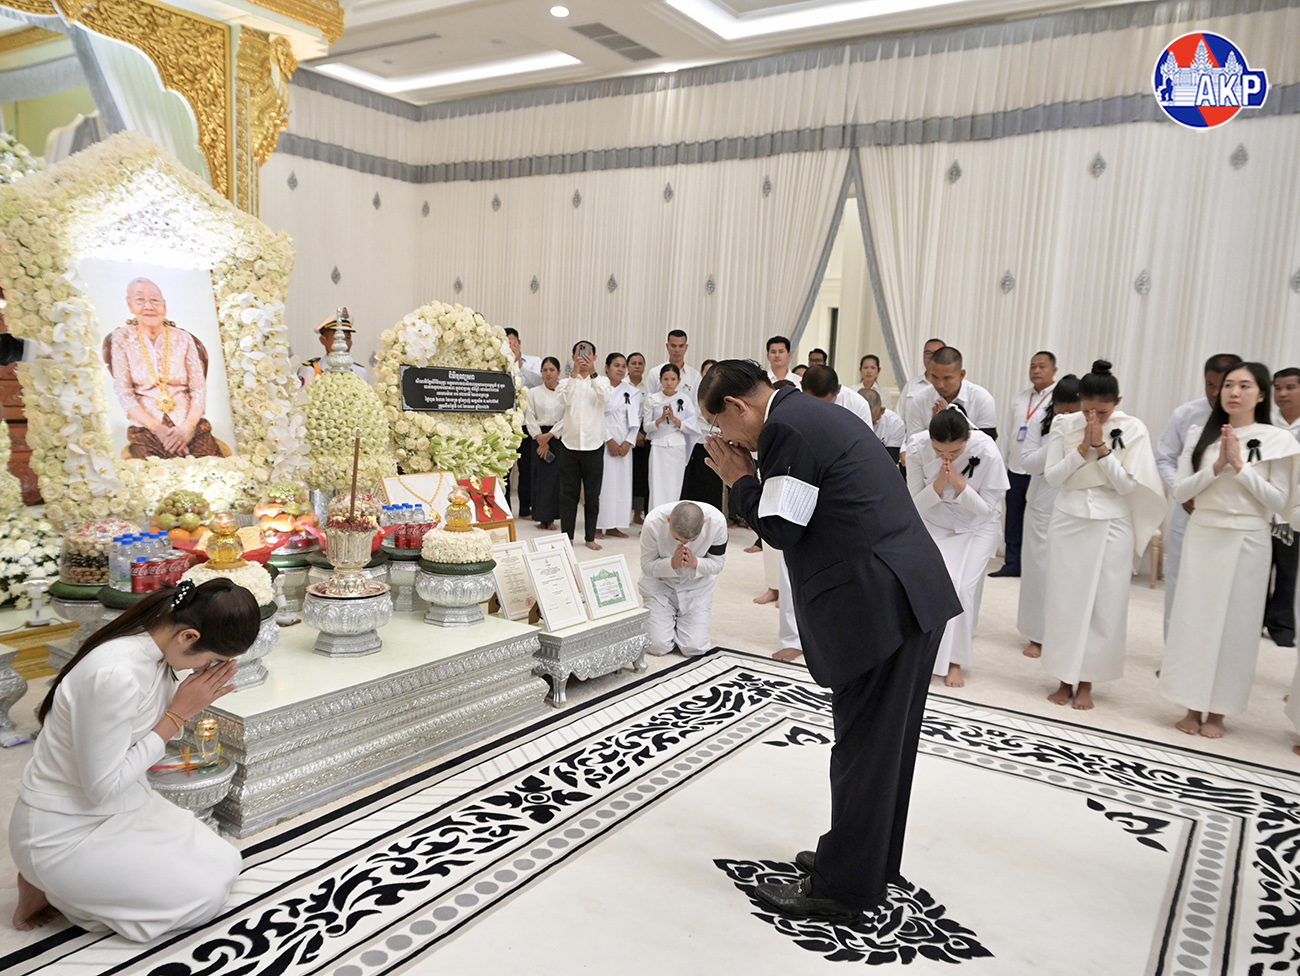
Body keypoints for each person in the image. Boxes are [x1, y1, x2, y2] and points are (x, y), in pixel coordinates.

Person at [700, 360, 961, 921]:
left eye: (720, 424)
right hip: (908, 592)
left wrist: (739, 479)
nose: (723, 437)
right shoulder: (812, 413)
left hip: (880, 604)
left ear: (739, 406)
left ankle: (842, 890)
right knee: (885, 747)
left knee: (863, 750)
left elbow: (781, 526)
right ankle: (867, 863)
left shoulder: (785, 429)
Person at [9, 579, 257, 941]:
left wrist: (182, 702)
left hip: (126, 805)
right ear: (188, 637)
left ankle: (70, 886)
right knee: (200, 899)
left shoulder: (161, 652)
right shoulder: (115, 674)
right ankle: (50, 885)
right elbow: (101, 789)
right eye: (212, 660)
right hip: (66, 828)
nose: (207, 669)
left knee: (227, 862)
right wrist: (179, 714)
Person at [1159, 363, 1300, 738]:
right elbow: (1181, 491)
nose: (1234, 393)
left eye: (1244, 386)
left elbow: (1279, 501)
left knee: (1237, 626)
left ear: (1261, 394)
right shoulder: (1200, 434)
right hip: (1204, 534)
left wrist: (1240, 467)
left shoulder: (1277, 439)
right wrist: (1217, 465)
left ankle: (1220, 712)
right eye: (1228, 386)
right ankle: (1191, 705)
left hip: (1249, 539)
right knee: (1195, 621)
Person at [1040, 361, 1165, 709]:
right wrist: (1082, 449)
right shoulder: (1064, 424)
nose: (1093, 416)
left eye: (1103, 411)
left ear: (1118, 402)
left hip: (1113, 521)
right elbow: (1053, 477)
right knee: (1065, 601)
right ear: (1080, 400)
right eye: (1087, 409)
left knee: (1104, 604)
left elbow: (1127, 485)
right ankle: (1064, 678)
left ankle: (1087, 683)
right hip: (1069, 517)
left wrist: (1103, 450)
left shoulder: (1133, 428)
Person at [906, 408, 1009, 687]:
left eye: (954, 452)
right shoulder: (916, 447)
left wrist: (959, 485)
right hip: (935, 523)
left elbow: (988, 511)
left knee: (962, 589)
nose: (947, 457)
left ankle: (954, 661)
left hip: (977, 527)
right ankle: (929, 657)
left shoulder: (986, 450)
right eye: (939, 451)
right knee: (934, 584)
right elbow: (914, 504)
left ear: (968, 438)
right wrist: (940, 484)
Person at [1155, 353, 1243, 637]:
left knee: (1222, 587)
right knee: (1181, 580)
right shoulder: (1186, 415)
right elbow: (1165, 458)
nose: (1215, 393)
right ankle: (1173, 648)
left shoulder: (1253, 421)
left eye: (1223, 385)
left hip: (1230, 516)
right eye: (1209, 385)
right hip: (1190, 511)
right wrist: (1182, 493)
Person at [107, 277, 222, 458]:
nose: (148, 306)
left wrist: (188, 427)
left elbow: (199, 389)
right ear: (130, 304)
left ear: (164, 306)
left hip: (189, 424)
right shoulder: (122, 339)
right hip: (147, 429)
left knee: (209, 464)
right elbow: (124, 394)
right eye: (140, 300)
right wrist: (158, 429)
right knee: (155, 469)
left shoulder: (183, 338)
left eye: (154, 300)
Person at [1017, 375, 1081, 658]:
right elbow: (1028, 463)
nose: (1065, 417)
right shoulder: (1040, 421)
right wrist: (1057, 438)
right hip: (1042, 505)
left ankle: (1065, 635)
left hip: (1075, 507)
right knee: (1038, 572)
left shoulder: (1091, 427)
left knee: (1069, 575)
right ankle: (1036, 635)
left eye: (1072, 412)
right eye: (1060, 411)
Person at [993, 351, 1058, 578]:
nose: (1036, 370)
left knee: (1036, 520)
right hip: (1015, 467)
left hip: (1040, 471)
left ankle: (1033, 565)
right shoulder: (1020, 399)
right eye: (1033, 366)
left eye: (1042, 366)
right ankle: (1012, 563)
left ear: (1054, 370)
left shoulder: (1057, 399)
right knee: (1013, 517)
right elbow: (1008, 433)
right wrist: (1002, 463)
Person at [638, 500, 729, 656]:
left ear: (704, 523)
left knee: (694, 648)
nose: (684, 543)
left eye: (692, 540)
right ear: (668, 520)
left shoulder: (717, 522)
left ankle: (678, 622)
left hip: (697, 588)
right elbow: (646, 566)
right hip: (660, 585)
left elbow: (717, 565)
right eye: (677, 539)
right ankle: (664, 619)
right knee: (657, 646)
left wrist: (696, 563)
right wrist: (672, 564)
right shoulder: (653, 522)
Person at [557, 340, 611, 550]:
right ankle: (567, 538)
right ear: (573, 357)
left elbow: (605, 398)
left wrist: (593, 373)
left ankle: (589, 537)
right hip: (569, 445)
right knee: (567, 495)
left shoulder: (602, 381)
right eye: (579, 354)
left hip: (593, 444)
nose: (583, 357)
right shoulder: (566, 382)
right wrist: (573, 374)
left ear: (594, 357)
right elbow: (563, 400)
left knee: (592, 496)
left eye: (588, 354)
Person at [1265, 367, 1300, 646]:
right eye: (1277, 387)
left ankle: (1283, 627)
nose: (1282, 393)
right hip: (1265, 502)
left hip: (1295, 509)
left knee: (1289, 569)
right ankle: (1253, 618)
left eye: (1290, 387)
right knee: (1259, 566)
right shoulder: (1266, 424)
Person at [902, 345, 998, 442]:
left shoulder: (982, 399)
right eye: (934, 377)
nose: (940, 385)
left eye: (947, 378)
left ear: (961, 375)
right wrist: (935, 428)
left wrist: (945, 428)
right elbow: (914, 444)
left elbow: (987, 443)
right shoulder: (920, 400)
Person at [595, 353, 639, 540]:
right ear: (606, 367)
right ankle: (598, 525)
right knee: (604, 485)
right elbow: (596, 415)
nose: (620, 369)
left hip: (624, 446)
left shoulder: (632, 391)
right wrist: (609, 439)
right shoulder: (599, 387)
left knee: (621, 485)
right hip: (603, 441)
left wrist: (628, 442)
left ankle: (615, 525)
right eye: (616, 365)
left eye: (623, 366)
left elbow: (636, 420)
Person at [644, 364, 699, 511]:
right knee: (656, 485)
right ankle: (656, 519)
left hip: (677, 446)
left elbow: (692, 426)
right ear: (660, 380)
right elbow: (646, 427)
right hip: (658, 446)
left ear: (679, 381)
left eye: (673, 379)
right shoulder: (652, 399)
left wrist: (676, 420)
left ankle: (672, 520)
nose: (669, 383)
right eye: (666, 379)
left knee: (674, 485)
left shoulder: (685, 400)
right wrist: (660, 419)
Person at [505, 328, 545, 520]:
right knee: (504, 468)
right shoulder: (495, 363)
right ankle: (504, 508)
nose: (509, 346)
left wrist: (519, 362)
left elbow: (539, 382)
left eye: (512, 342)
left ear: (519, 343)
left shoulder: (534, 361)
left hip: (526, 424)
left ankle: (525, 508)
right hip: (504, 424)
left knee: (527, 468)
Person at [525, 357, 566, 530]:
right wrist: (540, 438)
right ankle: (541, 518)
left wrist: (550, 436)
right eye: (545, 370)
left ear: (559, 372)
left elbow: (566, 417)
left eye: (552, 370)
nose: (548, 373)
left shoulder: (565, 392)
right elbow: (529, 417)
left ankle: (552, 519)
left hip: (557, 437)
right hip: (538, 437)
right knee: (539, 478)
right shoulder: (533, 392)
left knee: (555, 479)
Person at [298, 309, 369, 385]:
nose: (343, 343)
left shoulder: (359, 371)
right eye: (337, 338)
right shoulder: (311, 370)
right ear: (323, 340)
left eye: (348, 338)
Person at [801, 365, 874, 429]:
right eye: (813, 403)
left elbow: (866, 439)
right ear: (801, 386)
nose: (820, 409)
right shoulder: (794, 399)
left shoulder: (858, 404)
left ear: (838, 389)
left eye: (826, 404)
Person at [896, 338, 945, 421]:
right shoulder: (911, 385)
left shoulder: (950, 387)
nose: (932, 357)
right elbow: (898, 418)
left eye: (937, 353)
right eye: (928, 353)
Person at [628, 352, 651, 523]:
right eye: (633, 363)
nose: (637, 366)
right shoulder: (621, 385)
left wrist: (642, 432)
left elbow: (649, 411)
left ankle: (638, 513)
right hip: (624, 436)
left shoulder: (648, 387)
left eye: (640, 363)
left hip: (643, 436)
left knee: (640, 476)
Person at [646, 329, 702, 400]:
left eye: (681, 346)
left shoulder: (695, 376)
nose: (677, 350)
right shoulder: (655, 373)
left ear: (686, 347)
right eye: (673, 346)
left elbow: (697, 404)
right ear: (667, 346)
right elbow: (648, 402)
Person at [863, 387, 906, 463]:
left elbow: (891, 460)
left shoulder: (895, 423)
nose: (869, 425)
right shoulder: (845, 418)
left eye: (873, 422)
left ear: (882, 411)